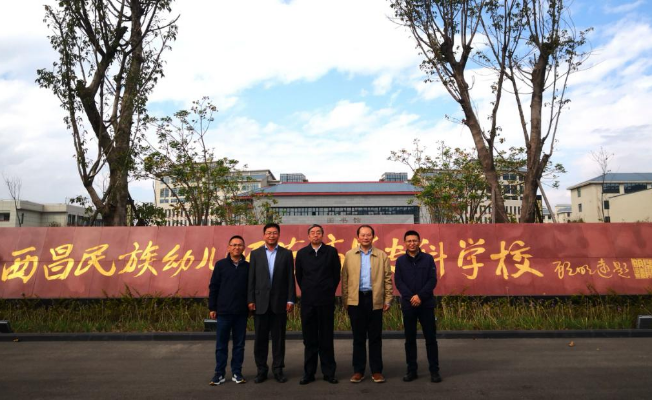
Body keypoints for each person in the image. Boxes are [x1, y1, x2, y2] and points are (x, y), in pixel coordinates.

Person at [341, 225, 393, 384]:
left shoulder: (381, 255)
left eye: (368, 235)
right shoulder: (349, 255)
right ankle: (358, 371)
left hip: (374, 299)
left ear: (373, 237)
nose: (365, 237)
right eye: (362, 235)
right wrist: (346, 300)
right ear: (358, 237)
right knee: (358, 337)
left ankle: (377, 371)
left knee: (375, 337)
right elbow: (345, 279)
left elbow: (387, 279)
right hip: (356, 300)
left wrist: (388, 299)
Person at [247, 223, 296, 384]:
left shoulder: (286, 254)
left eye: (274, 233)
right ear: (264, 235)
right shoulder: (255, 254)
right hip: (260, 303)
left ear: (279, 235)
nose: (271, 235)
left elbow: (290, 278)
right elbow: (251, 279)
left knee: (279, 339)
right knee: (260, 340)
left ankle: (278, 369)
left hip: (279, 303)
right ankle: (261, 370)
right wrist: (250, 299)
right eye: (268, 233)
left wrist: (290, 299)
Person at [295, 224, 341, 385]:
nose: (315, 235)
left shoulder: (331, 252)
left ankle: (329, 373)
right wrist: (308, 290)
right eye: (313, 233)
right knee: (309, 339)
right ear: (308, 236)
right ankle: (309, 373)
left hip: (326, 301)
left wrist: (327, 290)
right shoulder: (302, 253)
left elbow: (336, 275)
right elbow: (299, 276)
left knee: (326, 338)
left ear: (322, 235)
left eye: (318, 232)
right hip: (308, 302)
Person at [394, 230, 442, 383]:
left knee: (430, 339)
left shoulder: (428, 259)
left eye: (414, 240)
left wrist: (420, 296)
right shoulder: (400, 261)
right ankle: (411, 370)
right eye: (409, 241)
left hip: (426, 304)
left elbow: (432, 280)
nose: (412, 243)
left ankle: (434, 371)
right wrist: (411, 297)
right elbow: (399, 281)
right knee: (410, 339)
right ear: (405, 243)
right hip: (408, 305)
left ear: (419, 242)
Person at [208, 235, 250, 386]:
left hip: (241, 313)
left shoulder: (248, 266)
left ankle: (237, 372)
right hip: (224, 312)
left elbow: (251, 288)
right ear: (228, 247)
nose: (236, 247)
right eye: (234, 245)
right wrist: (212, 307)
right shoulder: (220, 265)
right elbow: (214, 287)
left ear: (244, 248)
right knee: (221, 345)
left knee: (239, 345)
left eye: (239, 245)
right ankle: (219, 373)